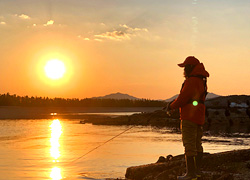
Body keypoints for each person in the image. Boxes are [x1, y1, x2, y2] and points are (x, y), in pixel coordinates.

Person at [166, 56, 209, 180]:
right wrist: (173, 105)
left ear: (190, 68)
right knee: (197, 144)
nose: (183, 70)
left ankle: (190, 175)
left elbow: (183, 98)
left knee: (189, 145)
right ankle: (197, 172)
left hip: (189, 117)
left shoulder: (191, 80)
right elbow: (188, 97)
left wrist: (170, 106)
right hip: (199, 116)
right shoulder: (202, 80)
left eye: (185, 67)